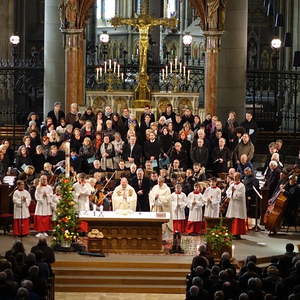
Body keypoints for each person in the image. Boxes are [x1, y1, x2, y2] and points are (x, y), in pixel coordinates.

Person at [226, 172, 247, 239]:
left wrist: (234, 192)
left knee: (238, 218)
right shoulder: (232, 184)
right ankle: (232, 232)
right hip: (232, 204)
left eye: (236, 176)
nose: (234, 178)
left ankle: (237, 234)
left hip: (239, 205)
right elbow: (227, 192)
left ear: (239, 177)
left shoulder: (242, 185)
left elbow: (241, 195)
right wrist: (231, 192)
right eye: (234, 176)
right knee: (232, 217)